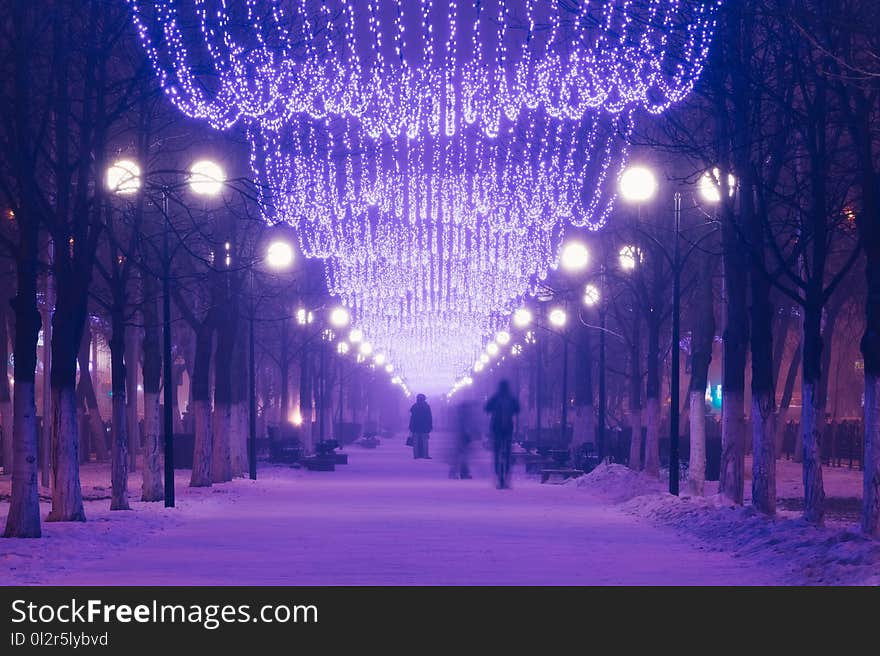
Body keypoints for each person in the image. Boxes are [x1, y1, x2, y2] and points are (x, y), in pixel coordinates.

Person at [484, 380, 520, 489]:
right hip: (508, 429)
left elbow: (486, 408)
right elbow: (518, 409)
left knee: (497, 453)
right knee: (508, 454)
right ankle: (507, 477)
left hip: (496, 429)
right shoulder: (511, 398)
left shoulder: (496, 398)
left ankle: (499, 477)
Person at [450, 400, 477, 479]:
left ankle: (457, 473)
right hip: (463, 436)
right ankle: (462, 473)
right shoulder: (465, 415)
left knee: (459, 456)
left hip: (460, 436)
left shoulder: (459, 414)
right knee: (463, 456)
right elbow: (466, 426)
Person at [409, 394, 433, 459]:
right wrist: (430, 426)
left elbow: (412, 417)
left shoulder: (414, 406)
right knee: (425, 441)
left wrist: (411, 426)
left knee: (415, 442)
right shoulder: (426, 407)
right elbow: (429, 417)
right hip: (424, 427)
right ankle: (425, 455)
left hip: (415, 427)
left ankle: (416, 455)